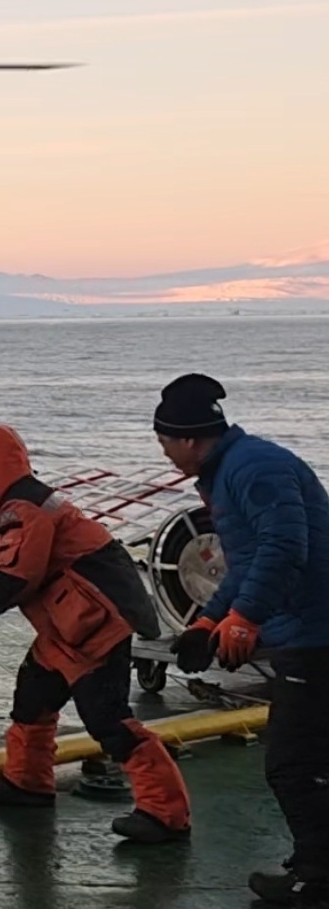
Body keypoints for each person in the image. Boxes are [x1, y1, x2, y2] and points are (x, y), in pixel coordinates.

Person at [0, 424, 190, 844]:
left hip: (96, 627)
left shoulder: (22, 510)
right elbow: (2, 564)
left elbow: (17, 575)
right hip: (69, 627)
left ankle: (165, 812)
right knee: (32, 697)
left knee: (108, 718)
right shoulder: (22, 503)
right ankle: (26, 782)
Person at [157, 375, 329, 902]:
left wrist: (245, 619)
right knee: (311, 758)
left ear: (187, 438)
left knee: (294, 763)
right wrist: (210, 619)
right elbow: (249, 559)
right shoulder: (234, 467)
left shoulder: (254, 468)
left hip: (316, 631)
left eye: (163, 440)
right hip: (304, 626)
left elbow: (283, 546)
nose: (163, 452)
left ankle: (317, 878)